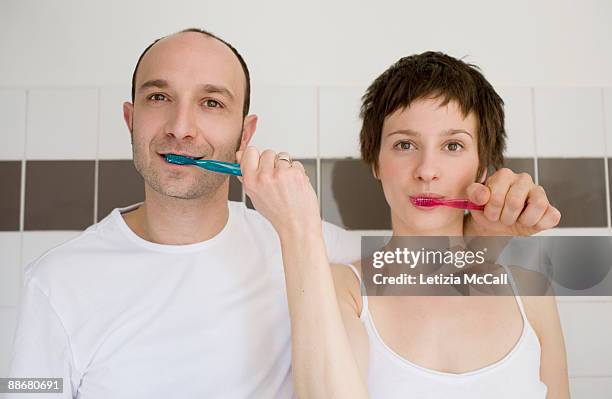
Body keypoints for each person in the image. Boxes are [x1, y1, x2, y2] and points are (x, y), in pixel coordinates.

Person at [8, 27, 559, 398]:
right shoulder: (56, 284)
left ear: (246, 133)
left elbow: (427, 265)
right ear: (130, 118)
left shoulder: (322, 249)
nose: (181, 127)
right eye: (158, 98)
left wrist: (491, 233)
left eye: (212, 102)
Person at [240, 52, 568, 398]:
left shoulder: (531, 292)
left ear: (481, 169)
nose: (427, 169)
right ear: (376, 163)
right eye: (405, 144)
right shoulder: (342, 290)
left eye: (453, 145)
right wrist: (297, 229)